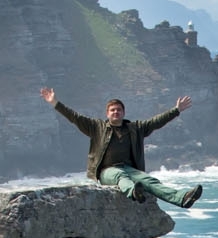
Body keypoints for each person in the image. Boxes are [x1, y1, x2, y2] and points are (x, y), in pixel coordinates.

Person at [40, 88, 203, 209]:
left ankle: (182, 198)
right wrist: (55, 103)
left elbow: (156, 121)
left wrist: (176, 110)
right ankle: (133, 192)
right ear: (107, 113)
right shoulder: (96, 127)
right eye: (112, 110)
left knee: (149, 181)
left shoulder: (135, 128)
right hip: (106, 172)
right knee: (120, 175)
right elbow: (74, 117)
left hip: (129, 169)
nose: (116, 112)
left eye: (119, 110)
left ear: (124, 112)